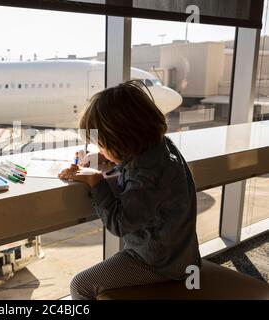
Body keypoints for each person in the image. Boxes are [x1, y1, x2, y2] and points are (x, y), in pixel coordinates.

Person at [59, 80, 201, 300]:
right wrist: (111, 160)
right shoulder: (163, 145)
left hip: (159, 263)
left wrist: (96, 182)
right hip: (184, 254)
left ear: (121, 141)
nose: (100, 150)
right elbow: (141, 170)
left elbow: (121, 223)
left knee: (80, 285)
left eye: (102, 145)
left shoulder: (147, 174)